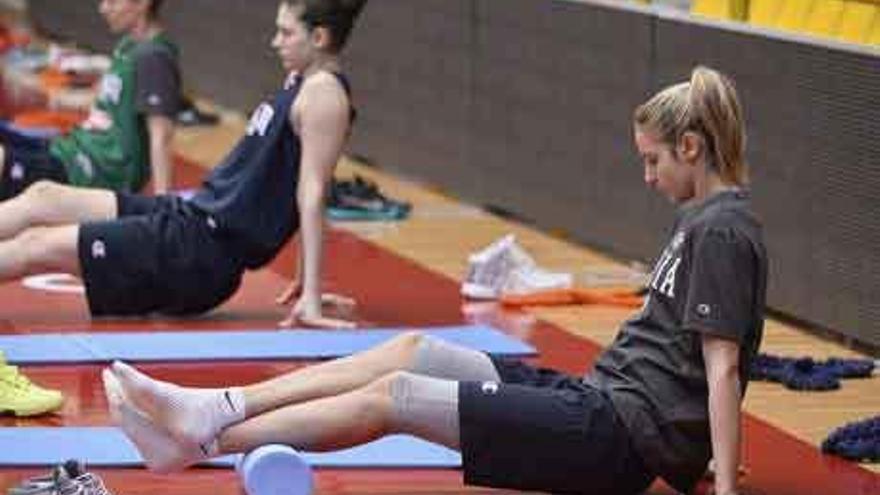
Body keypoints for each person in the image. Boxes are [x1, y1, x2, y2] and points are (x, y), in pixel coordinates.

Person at [103, 66, 768, 495]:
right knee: (411, 348)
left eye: (653, 161)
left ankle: (203, 437)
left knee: (395, 395)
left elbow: (721, 365)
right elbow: (691, 362)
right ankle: (221, 408)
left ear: (691, 148)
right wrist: (708, 453)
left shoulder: (723, 230)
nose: (648, 177)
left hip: (611, 436)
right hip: (597, 398)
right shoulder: (702, 219)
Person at [0, 0, 365, 328]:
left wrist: (312, 295)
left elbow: (312, 191)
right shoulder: (301, 80)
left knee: (38, 244)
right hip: (188, 215)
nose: (275, 42)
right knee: (43, 196)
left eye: (286, 33)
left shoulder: (325, 96)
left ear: (318, 37)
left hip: (197, 255)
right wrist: (303, 281)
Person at [0, 0, 181, 197]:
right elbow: (106, 101)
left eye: (112, 2)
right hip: (72, 152)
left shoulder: (155, 57)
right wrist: (50, 99)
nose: (103, 8)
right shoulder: (129, 46)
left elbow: (162, 136)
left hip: (92, 174)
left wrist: (164, 205)